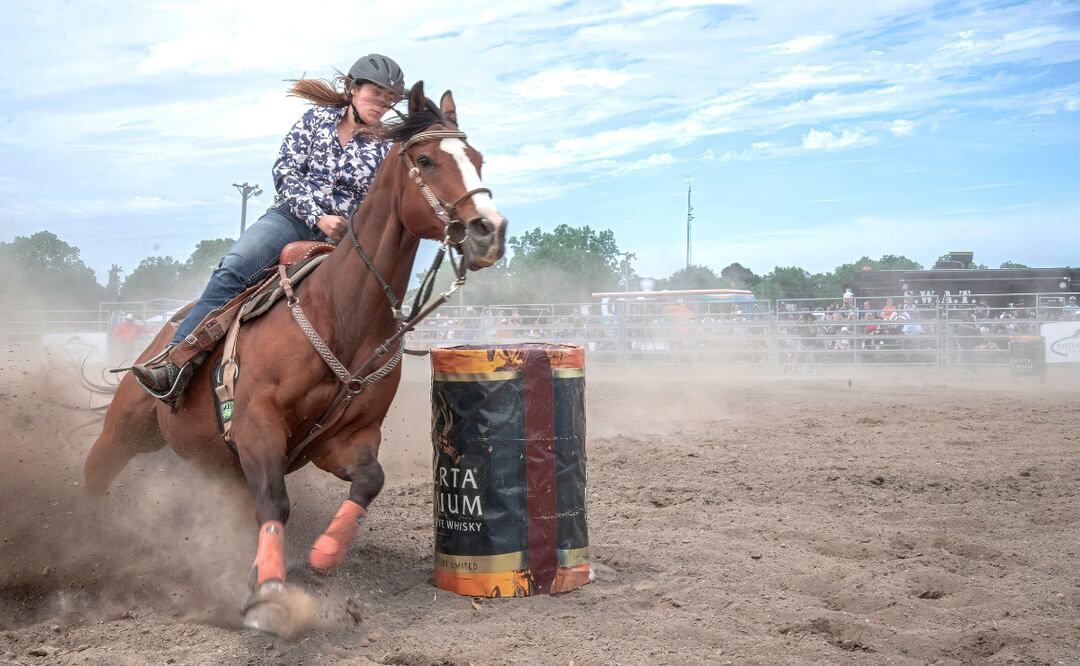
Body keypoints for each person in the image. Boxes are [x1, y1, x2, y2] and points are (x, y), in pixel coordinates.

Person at [133, 54, 406, 395]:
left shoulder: (386, 147)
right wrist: (317, 216)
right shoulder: (316, 120)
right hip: (291, 220)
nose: (382, 104)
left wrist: (351, 225)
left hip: (344, 238)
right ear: (353, 88)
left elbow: (380, 202)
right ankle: (176, 360)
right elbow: (285, 171)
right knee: (234, 268)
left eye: (389, 99)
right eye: (375, 94)